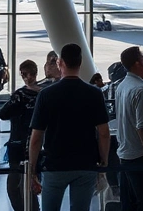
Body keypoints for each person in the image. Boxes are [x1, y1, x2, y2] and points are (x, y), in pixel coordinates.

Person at [29, 44, 111, 211]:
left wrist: (32, 169)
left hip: (55, 164)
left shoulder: (46, 94)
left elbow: (37, 137)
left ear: (60, 63)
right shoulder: (94, 93)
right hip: (85, 164)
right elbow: (103, 133)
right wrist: (104, 161)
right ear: (80, 63)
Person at [114, 46, 143, 211]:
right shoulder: (141, 90)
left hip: (124, 154)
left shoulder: (121, 86)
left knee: (129, 202)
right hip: (139, 155)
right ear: (137, 63)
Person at [0, 60, 42, 211]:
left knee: (16, 187)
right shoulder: (43, 94)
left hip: (19, 144)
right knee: (29, 185)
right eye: (24, 74)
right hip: (36, 145)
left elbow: (3, 114)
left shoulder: (20, 95)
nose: (27, 77)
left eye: (27, 74)